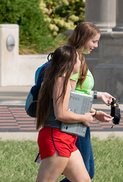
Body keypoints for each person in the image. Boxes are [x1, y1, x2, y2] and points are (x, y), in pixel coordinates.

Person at [34, 45, 111, 182]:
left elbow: (72, 106)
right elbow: (61, 114)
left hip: (66, 138)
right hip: (56, 138)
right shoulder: (59, 81)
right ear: (71, 63)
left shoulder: (64, 81)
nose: (80, 62)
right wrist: (83, 118)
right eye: (78, 60)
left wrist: (95, 113)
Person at [63, 22, 116, 182]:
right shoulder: (73, 59)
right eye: (93, 41)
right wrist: (93, 112)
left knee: (87, 173)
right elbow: (69, 94)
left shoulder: (79, 58)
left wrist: (98, 95)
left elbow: (78, 90)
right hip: (75, 120)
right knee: (83, 175)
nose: (96, 45)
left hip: (81, 117)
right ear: (83, 38)